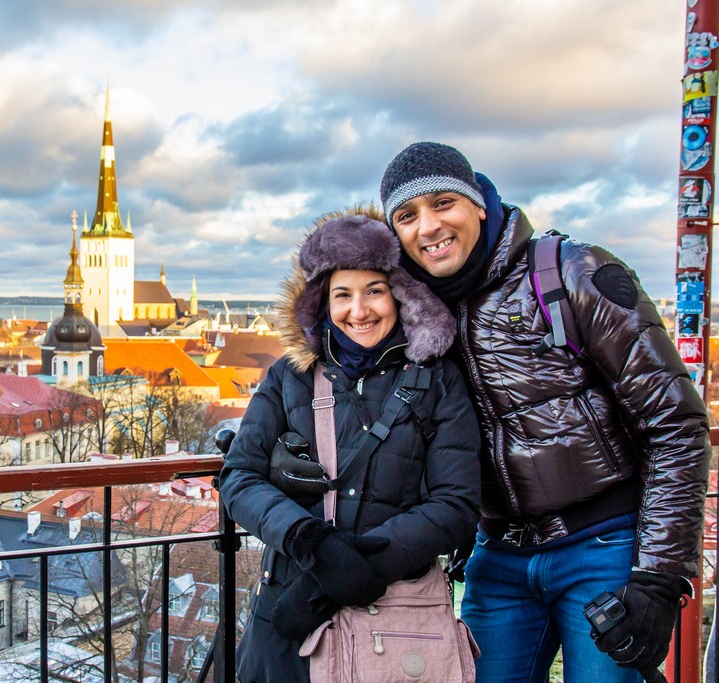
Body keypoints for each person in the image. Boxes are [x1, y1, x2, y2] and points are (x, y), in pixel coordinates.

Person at [378, 141, 711, 682]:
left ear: (478, 204)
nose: (429, 226)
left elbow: (676, 423)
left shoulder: (571, 272)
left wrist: (658, 577)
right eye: (407, 216)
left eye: (443, 203)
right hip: (499, 554)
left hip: (603, 546)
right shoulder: (418, 315)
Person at [219, 212, 481, 682]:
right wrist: (310, 540)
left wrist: (362, 563)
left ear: (401, 297)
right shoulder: (289, 376)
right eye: (343, 295)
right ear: (322, 303)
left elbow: (457, 502)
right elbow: (239, 476)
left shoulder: (438, 380)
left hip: (394, 617)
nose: (359, 311)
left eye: (374, 291)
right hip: (291, 610)